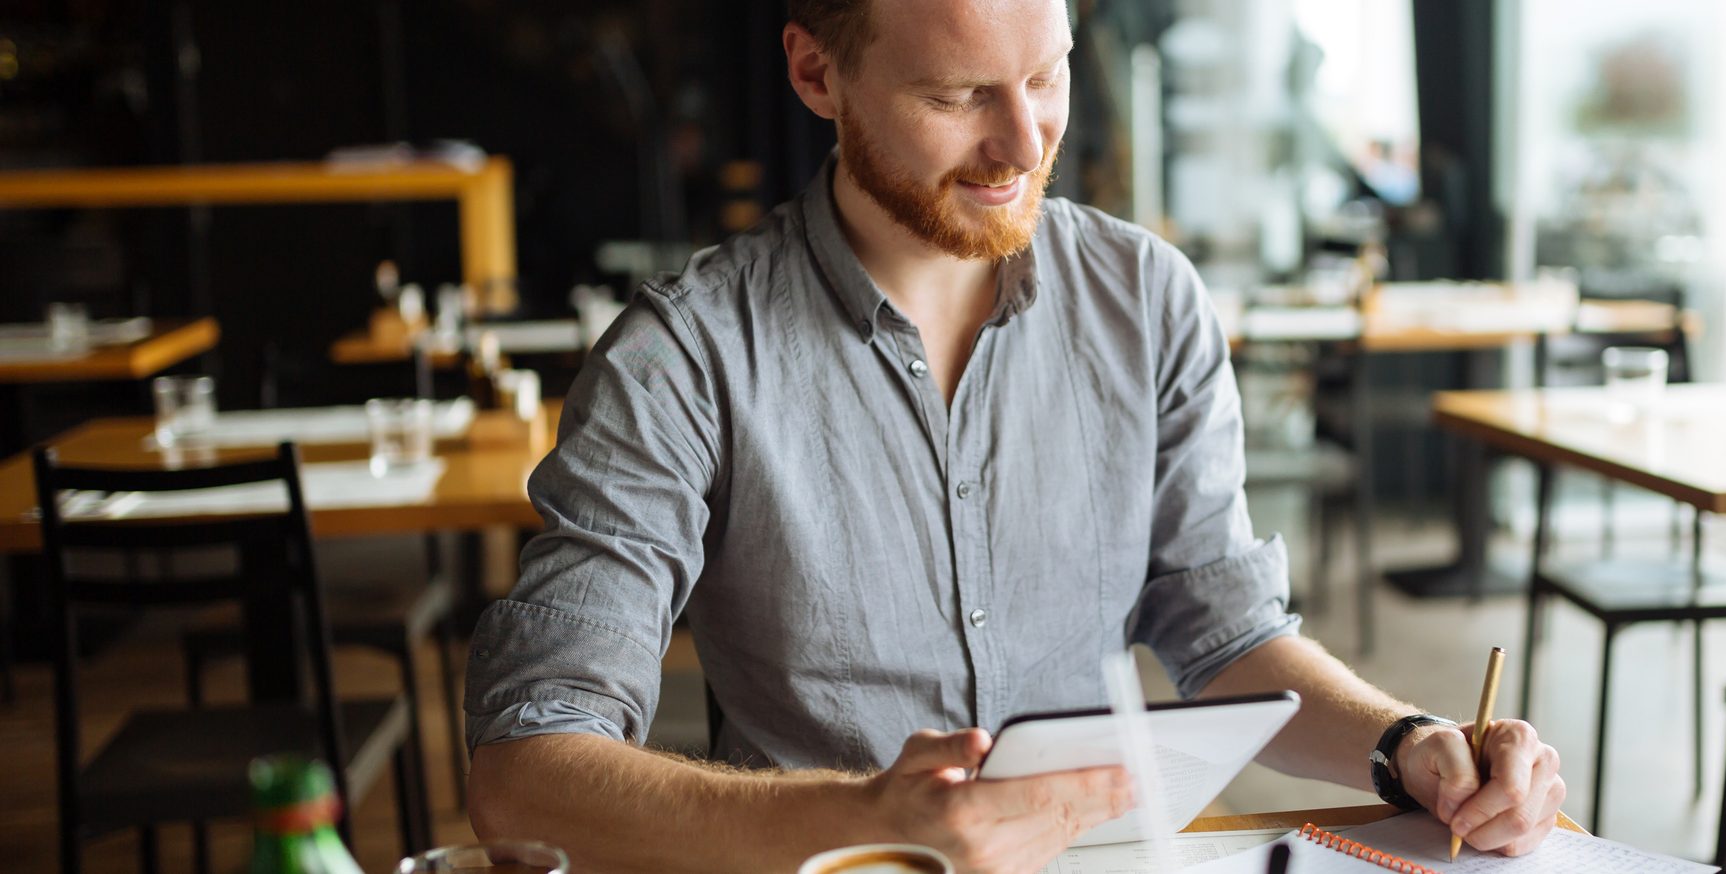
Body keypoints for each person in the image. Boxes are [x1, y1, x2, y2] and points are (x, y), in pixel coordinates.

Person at [462, 2, 1566, 871]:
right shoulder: (682, 358)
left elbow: (1224, 636)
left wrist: (1406, 743)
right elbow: (525, 770)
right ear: (816, 74)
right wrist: (870, 817)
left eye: (1047, 76)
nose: (1025, 142)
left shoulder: (1150, 302)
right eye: (957, 95)